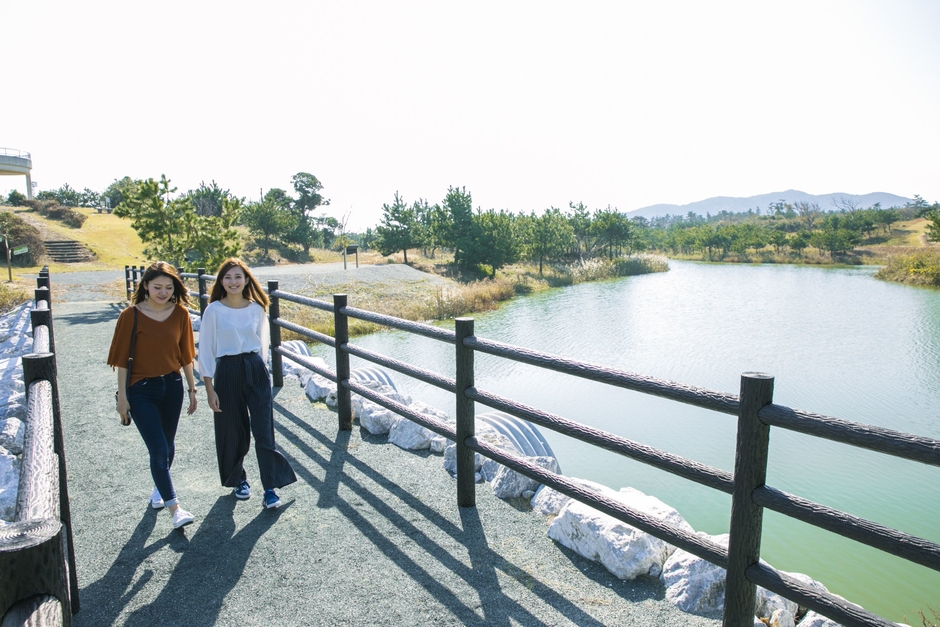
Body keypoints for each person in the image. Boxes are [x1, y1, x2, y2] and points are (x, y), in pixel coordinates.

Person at [199, 258, 296, 509]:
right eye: (228, 277)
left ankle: (270, 488)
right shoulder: (213, 311)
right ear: (221, 281)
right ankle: (239, 480)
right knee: (233, 429)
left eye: (238, 277)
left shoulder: (256, 309)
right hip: (227, 371)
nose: (233, 282)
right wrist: (209, 389)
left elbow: (263, 345)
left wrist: (260, 371)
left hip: (255, 369)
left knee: (264, 429)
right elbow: (207, 350)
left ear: (246, 280)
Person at [108, 261, 198, 529]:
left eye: (169, 287)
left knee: (168, 446)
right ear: (145, 285)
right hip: (140, 390)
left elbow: (186, 356)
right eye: (157, 286)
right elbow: (122, 360)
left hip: (172, 386)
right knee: (158, 447)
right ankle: (175, 509)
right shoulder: (130, 315)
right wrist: (123, 397)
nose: (163, 292)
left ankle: (159, 488)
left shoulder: (180, 314)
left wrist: (193, 389)